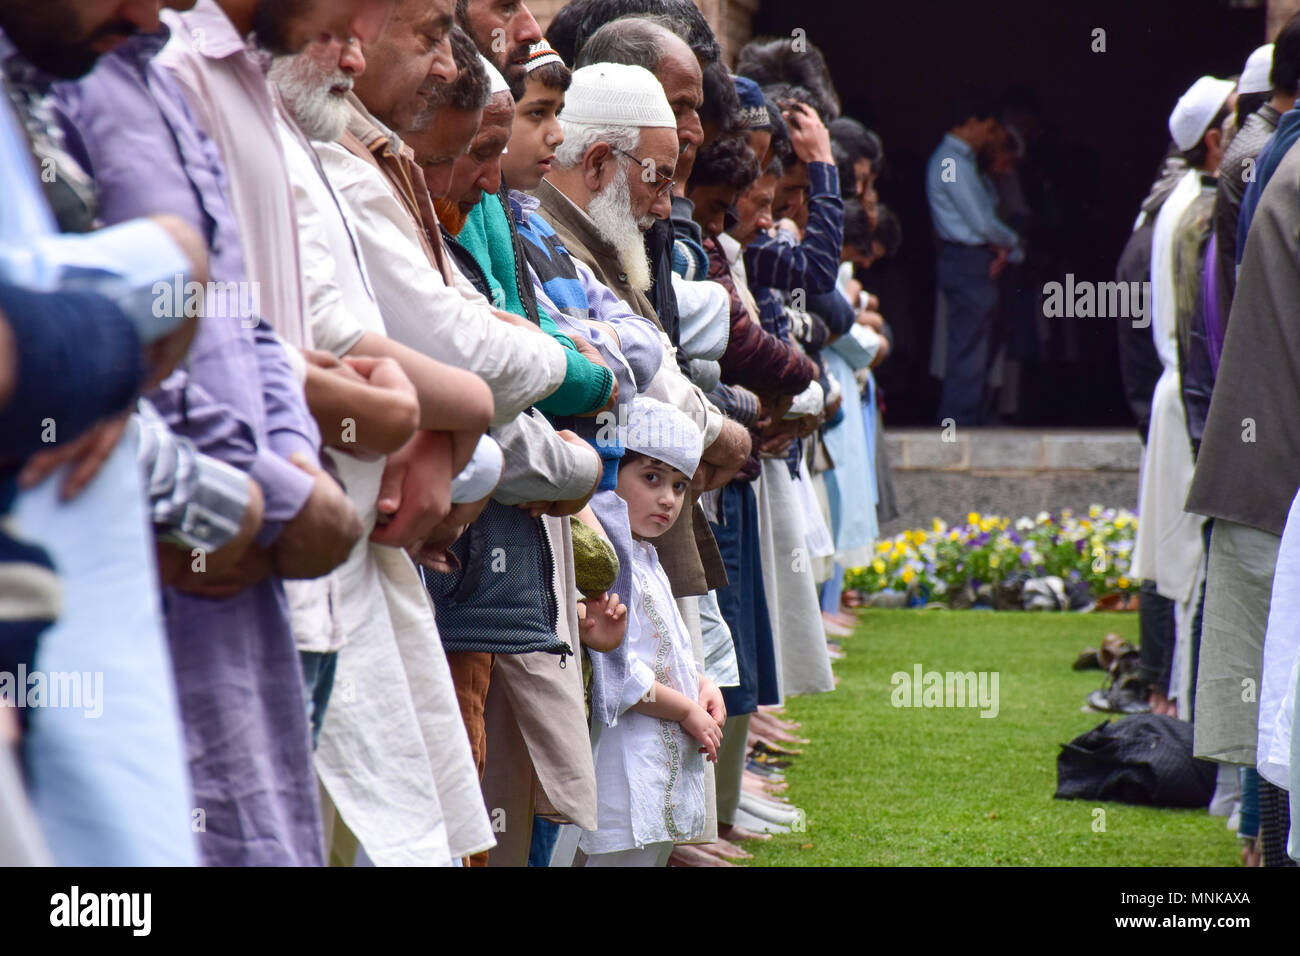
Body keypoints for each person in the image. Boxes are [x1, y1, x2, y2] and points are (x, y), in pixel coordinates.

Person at [580, 396, 724, 866]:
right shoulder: (609, 560)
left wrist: (702, 684)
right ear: (611, 471)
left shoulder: (648, 558)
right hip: (623, 758)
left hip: (663, 752)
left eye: (680, 487)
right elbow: (619, 673)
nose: (668, 498)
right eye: (651, 478)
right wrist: (685, 710)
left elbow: (671, 648)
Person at [925, 91, 1022, 426]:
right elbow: (979, 221)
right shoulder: (951, 163)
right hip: (966, 261)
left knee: (975, 347)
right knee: (968, 348)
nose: (990, 136)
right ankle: (958, 424)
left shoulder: (961, 162)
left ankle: (967, 420)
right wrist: (1013, 243)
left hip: (971, 259)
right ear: (971, 124)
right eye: (989, 127)